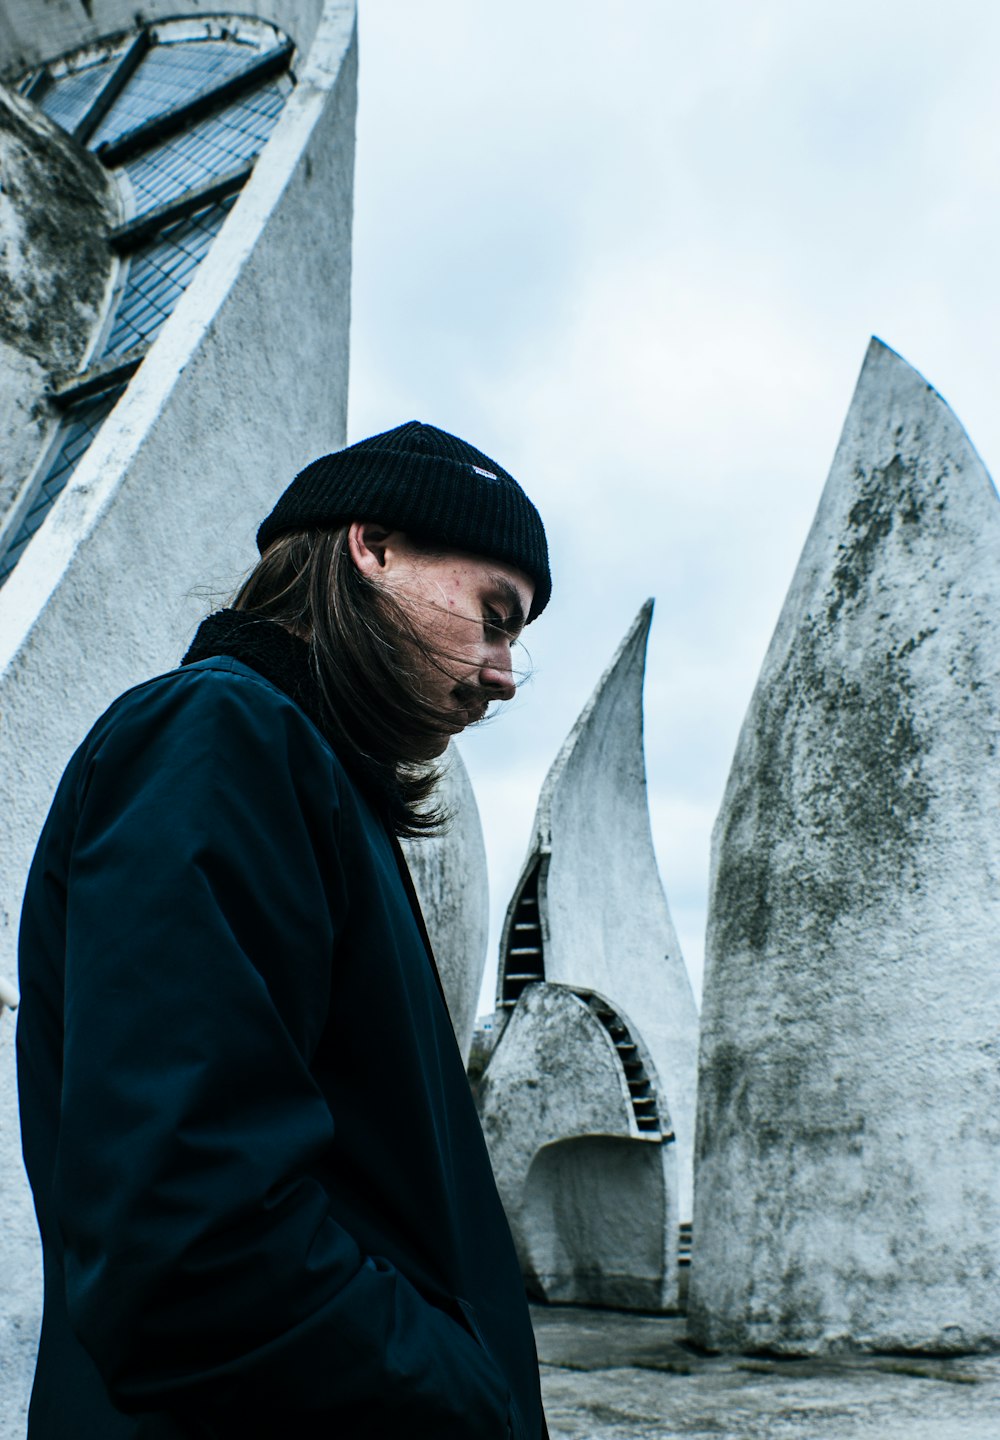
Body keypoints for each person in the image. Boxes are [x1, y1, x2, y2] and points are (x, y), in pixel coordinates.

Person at [16, 421, 551, 1439]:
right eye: (494, 616)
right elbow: (193, 1242)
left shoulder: (296, 772)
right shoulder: (223, 736)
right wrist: (466, 1399)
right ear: (373, 546)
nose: (504, 674)